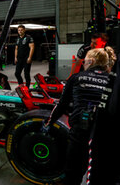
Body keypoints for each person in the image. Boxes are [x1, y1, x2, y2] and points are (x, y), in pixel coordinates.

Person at [44, 47, 116, 185]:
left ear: (91, 61)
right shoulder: (112, 80)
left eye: (84, 61)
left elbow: (62, 105)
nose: (83, 63)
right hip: (105, 133)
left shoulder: (76, 77)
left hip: (80, 132)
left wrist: (48, 122)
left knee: (73, 173)